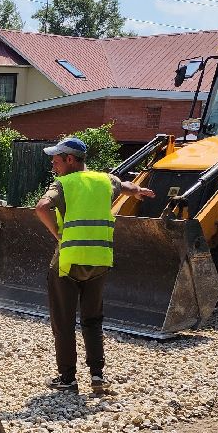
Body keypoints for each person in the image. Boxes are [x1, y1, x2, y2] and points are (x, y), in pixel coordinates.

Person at [34, 136, 155, 395]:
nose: (53, 164)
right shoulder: (105, 180)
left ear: (70, 159)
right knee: (93, 320)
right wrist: (139, 191)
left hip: (68, 263)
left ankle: (67, 378)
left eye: (56, 159)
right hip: (100, 260)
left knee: (64, 321)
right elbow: (125, 186)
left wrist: (57, 234)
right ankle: (98, 376)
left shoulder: (63, 184)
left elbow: (42, 207)